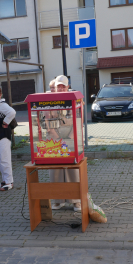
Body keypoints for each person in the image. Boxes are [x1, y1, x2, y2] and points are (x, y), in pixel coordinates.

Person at [50, 75, 81, 212]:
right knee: (55, 171)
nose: (61, 88)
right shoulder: (48, 100)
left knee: (73, 170)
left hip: (71, 138)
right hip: (55, 139)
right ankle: (57, 201)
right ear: (55, 88)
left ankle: (76, 201)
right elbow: (46, 120)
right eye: (58, 86)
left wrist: (70, 137)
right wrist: (56, 138)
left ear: (68, 86)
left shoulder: (75, 98)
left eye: (63, 86)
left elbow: (79, 118)